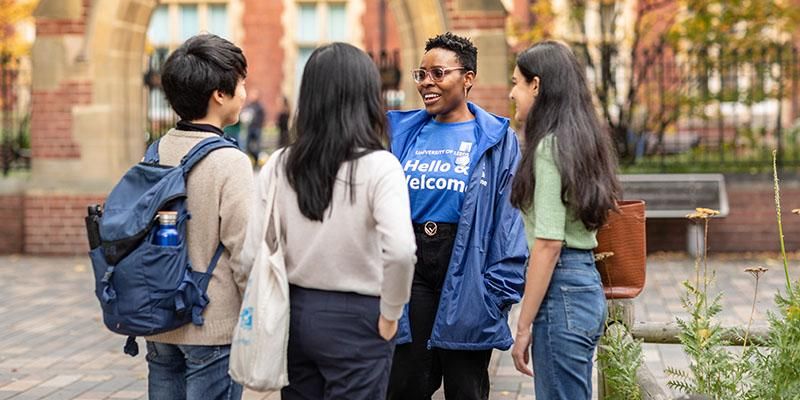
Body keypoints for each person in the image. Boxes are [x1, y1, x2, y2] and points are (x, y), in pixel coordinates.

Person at [250, 42, 417, 399]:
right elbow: (401, 251)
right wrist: (391, 313)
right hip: (360, 315)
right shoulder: (380, 166)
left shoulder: (279, 164)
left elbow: (255, 248)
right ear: (367, 97)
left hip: (295, 312)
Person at [386, 32, 529, 400]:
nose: (427, 83)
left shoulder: (497, 139)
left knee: (466, 388)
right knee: (404, 383)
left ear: (468, 78)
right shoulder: (400, 133)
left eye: (438, 73)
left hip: (468, 267)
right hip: (412, 265)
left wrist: (496, 293)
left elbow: (508, 220)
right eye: (422, 74)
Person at [143, 34, 255, 400]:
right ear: (218, 94)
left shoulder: (154, 152)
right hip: (213, 326)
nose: (244, 92)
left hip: (160, 321)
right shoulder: (229, 161)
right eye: (241, 83)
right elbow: (246, 254)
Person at [508, 40, 621, 400]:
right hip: (584, 288)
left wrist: (523, 324)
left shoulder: (548, 148)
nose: (512, 93)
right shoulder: (585, 141)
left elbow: (548, 244)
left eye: (516, 82)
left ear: (536, 85)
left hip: (560, 294)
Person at [241, 89, 266, 161]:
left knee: (257, 146)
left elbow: (262, 118)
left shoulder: (260, 106)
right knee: (248, 146)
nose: (252, 96)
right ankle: (251, 159)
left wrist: (259, 125)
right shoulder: (249, 106)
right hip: (250, 128)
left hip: (257, 128)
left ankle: (257, 160)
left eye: (254, 95)